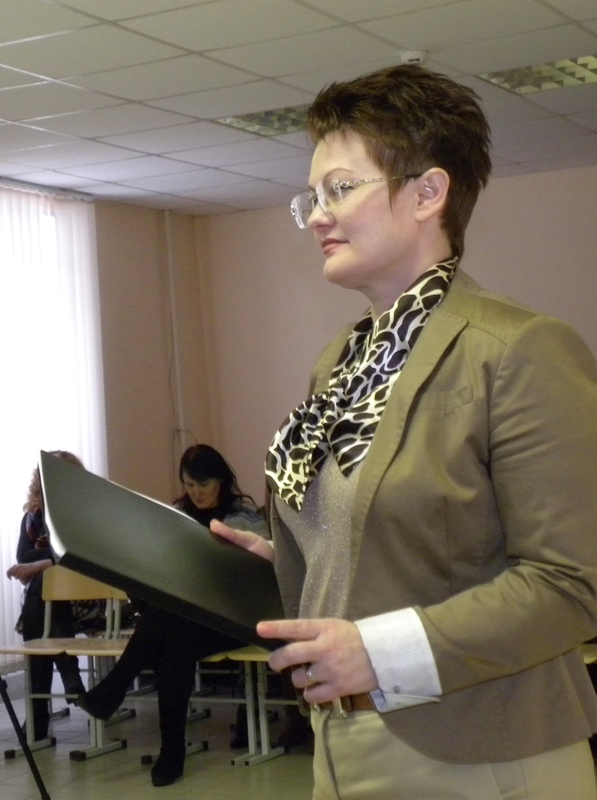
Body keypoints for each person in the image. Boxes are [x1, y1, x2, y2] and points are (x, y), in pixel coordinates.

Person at [211, 65, 597, 799]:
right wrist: (291, 560)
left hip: (481, 753)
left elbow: (570, 583)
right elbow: (386, 541)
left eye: (339, 189)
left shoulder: (517, 349)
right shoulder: (341, 361)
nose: (317, 215)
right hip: (340, 739)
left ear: (427, 193)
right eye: (311, 197)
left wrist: (377, 653)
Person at [75, 444, 269, 787]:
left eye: (203, 485)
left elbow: (258, 578)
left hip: (233, 619)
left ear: (221, 481)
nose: (196, 493)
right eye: (189, 485)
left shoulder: (245, 517)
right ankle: (170, 751)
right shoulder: (176, 515)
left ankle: (119, 697)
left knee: (170, 625)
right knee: (174, 639)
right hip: (185, 619)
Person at [6, 451, 86, 742]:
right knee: (44, 590)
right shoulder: (32, 517)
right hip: (49, 604)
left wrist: (42, 564)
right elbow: (23, 555)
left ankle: (37, 716)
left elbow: (78, 554)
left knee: (43, 587)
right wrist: (50, 562)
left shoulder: (83, 513)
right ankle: (71, 677)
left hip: (86, 599)